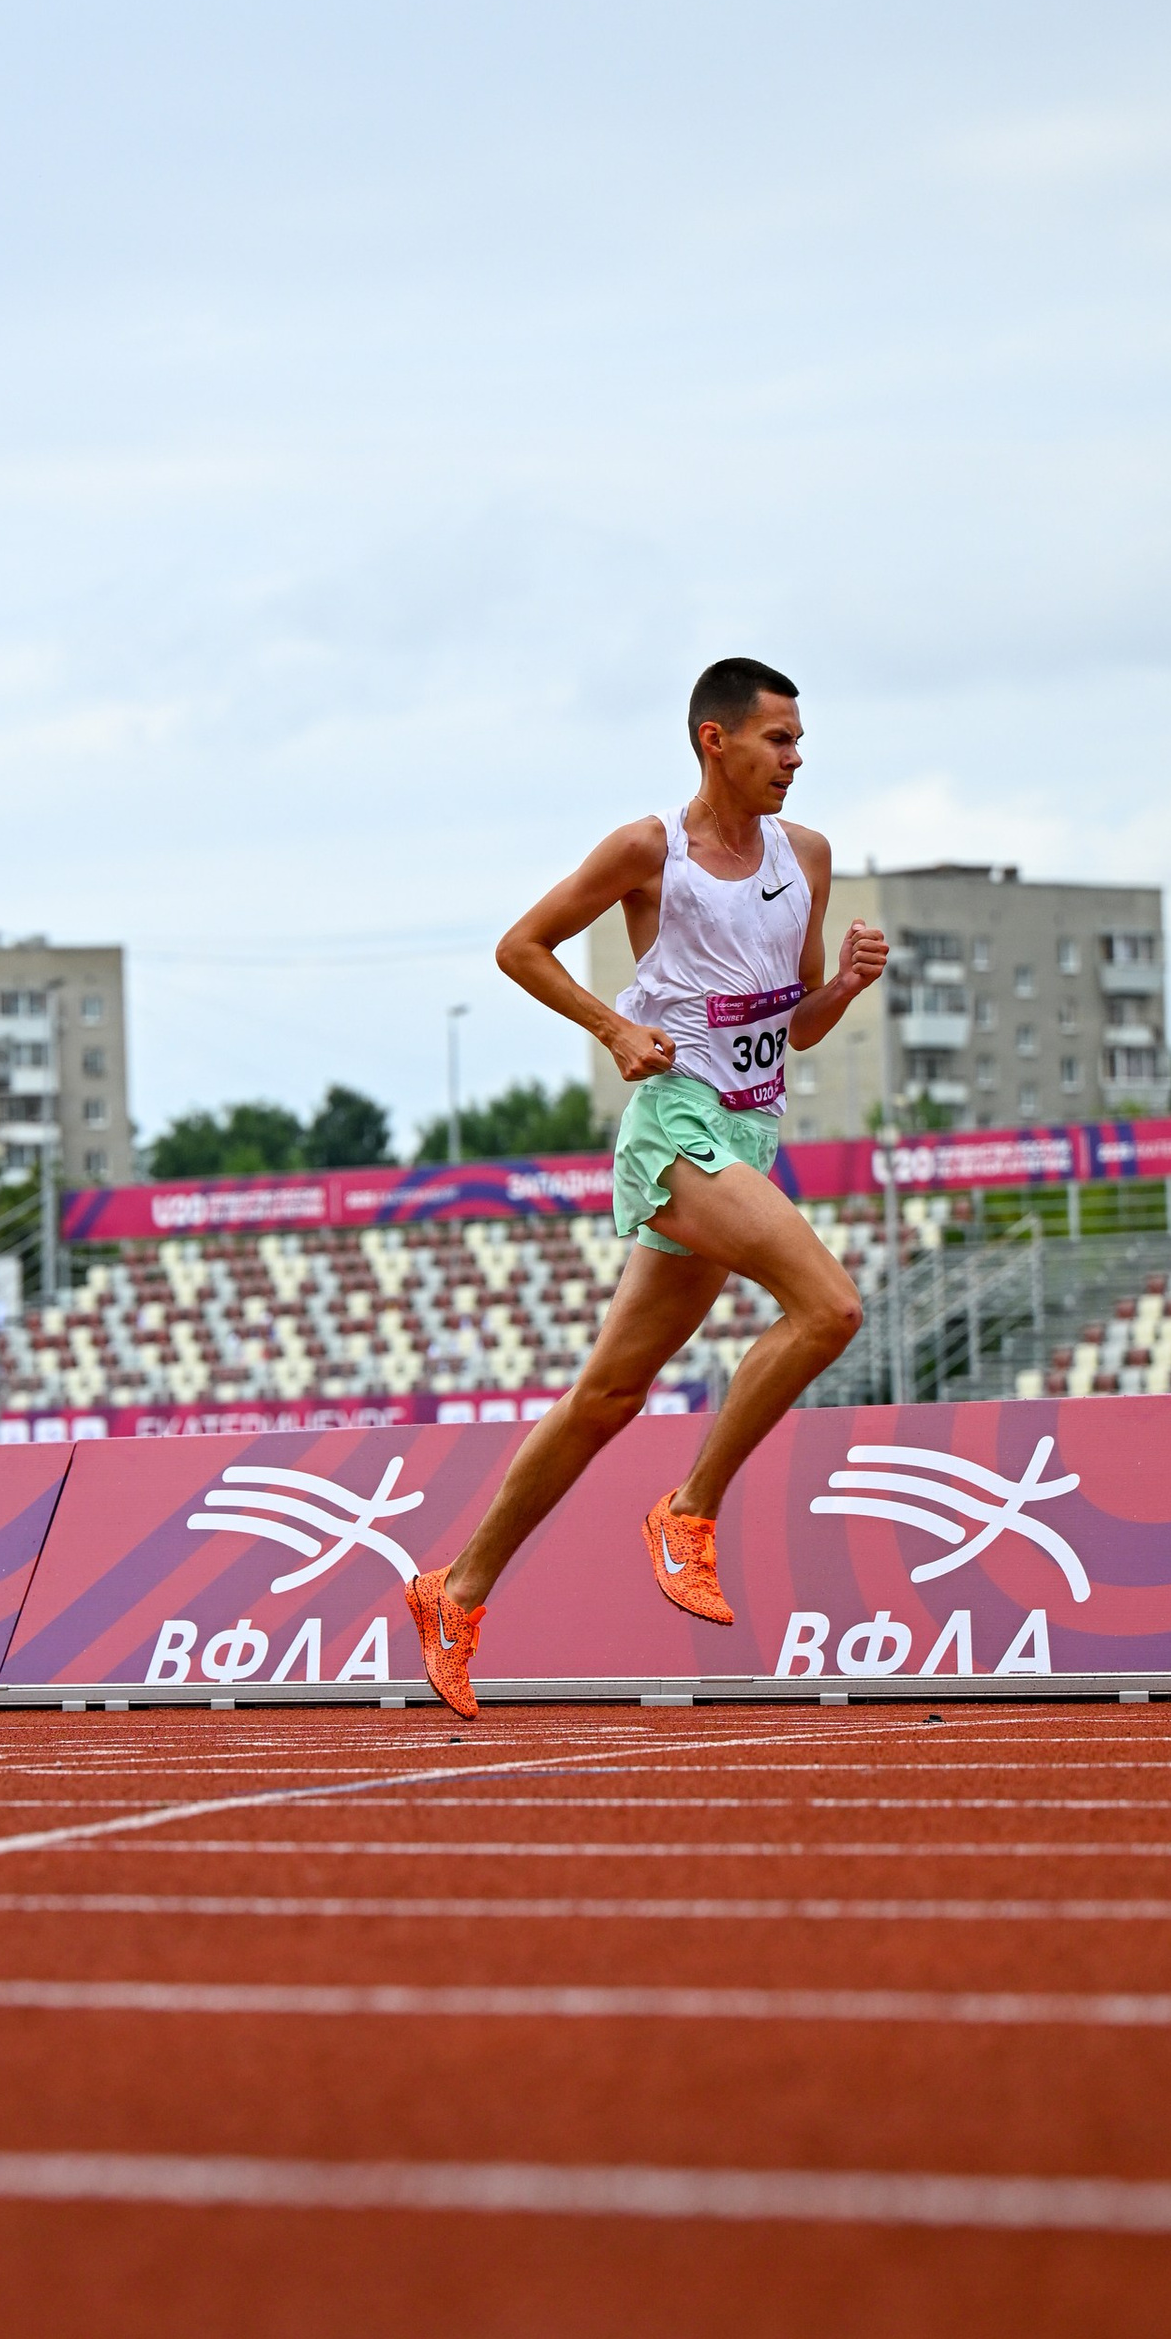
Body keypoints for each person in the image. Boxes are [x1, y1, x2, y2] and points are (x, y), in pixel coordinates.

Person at [407, 656, 888, 1716]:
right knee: (829, 1308)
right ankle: (688, 1513)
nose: (795, 760)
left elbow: (793, 1023)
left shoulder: (804, 856)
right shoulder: (647, 851)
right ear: (714, 740)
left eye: (800, 742)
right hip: (677, 1130)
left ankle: (455, 1589)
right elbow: (518, 947)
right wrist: (615, 1027)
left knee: (608, 1394)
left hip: (748, 1134)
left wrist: (843, 988)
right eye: (777, 741)